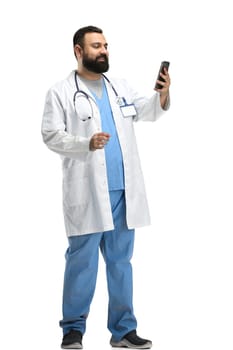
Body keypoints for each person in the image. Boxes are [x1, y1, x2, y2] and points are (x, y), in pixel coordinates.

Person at [42, 25, 171, 349]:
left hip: (123, 194)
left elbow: (147, 111)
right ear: (78, 51)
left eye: (106, 45)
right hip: (86, 195)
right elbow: (51, 135)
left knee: (120, 264)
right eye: (96, 46)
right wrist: (85, 143)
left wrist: (162, 94)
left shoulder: (119, 87)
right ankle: (73, 329)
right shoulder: (60, 92)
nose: (103, 51)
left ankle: (123, 330)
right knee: (81, 264)